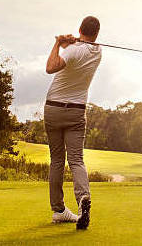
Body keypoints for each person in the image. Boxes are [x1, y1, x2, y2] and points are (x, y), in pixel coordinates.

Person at [44, 16, 101, 229]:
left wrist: (58, 43)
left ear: (79, 29)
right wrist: (70, 42)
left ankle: (58, 210)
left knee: (57, 160)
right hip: (77, 111)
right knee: (76, 159)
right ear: (96, 34)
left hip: (53, 108)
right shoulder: (97, 52)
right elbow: (80, 47)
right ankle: (83, 198)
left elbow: (50, 67)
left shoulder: (72, 50)